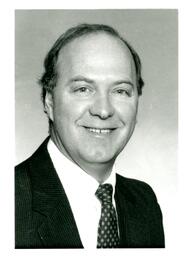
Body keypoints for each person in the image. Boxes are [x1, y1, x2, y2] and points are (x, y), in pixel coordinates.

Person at [15, 23, 165, 248]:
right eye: (83, 89)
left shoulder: (144, 202)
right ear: (49, 101)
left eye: (121, 91)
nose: (103, 110)